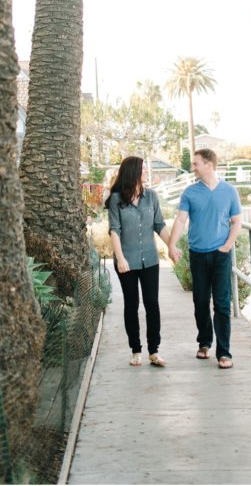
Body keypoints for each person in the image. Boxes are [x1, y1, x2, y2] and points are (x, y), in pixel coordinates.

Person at [168, 148, 242, 369]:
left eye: (196, 164)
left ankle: (224, 352)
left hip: (221, 255)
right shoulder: (190, 193)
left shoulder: (229, 191)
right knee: (200, 301)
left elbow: (237, 221)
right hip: (197, 254)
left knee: (221, 303)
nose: (193, 168)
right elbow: (181, 221)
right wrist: (171, 244)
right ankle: (204, 342)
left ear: (209, 165)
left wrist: (227, 247)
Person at [106, 156, 172, 367]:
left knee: (152, 303)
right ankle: (136, 351)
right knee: (131, 304)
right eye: (143, 169)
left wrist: (172, 247)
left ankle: (154, 351)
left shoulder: (151, 196)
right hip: (126, 260)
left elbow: (159, 225)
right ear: (133, 172)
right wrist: (121, 259)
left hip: (150, 259)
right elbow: (114, 231)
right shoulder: (116, 199)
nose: (146, 172)